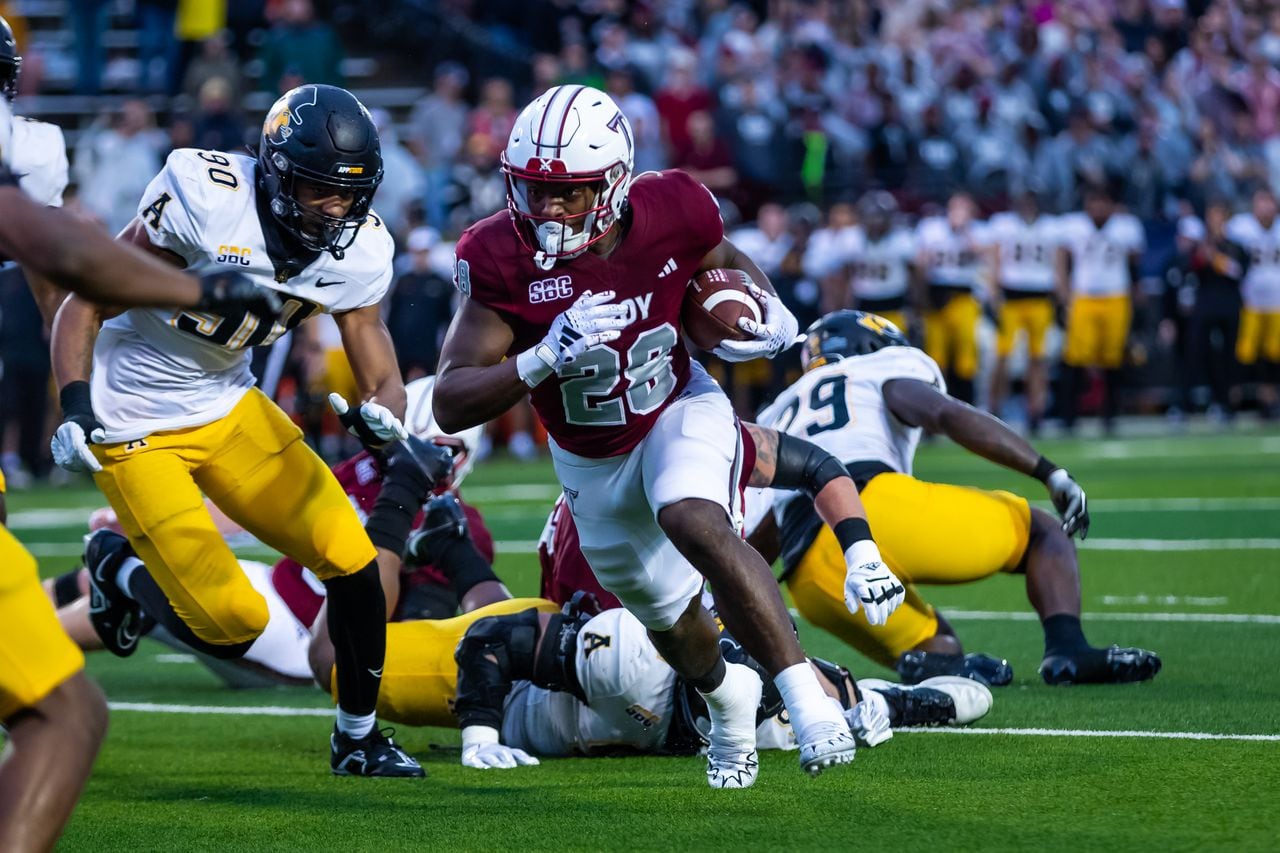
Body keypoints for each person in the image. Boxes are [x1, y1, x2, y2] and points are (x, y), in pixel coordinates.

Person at [433, 85, 898, 788]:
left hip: (679, 402)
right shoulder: (500, 254)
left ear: (616, 182)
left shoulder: (672, 206)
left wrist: (767, 307)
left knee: (691, 512)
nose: (548, 210)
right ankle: (728, 696)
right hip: (590, 459)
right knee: (668, 619)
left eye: (570, 193)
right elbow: (448, 397)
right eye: (534, 191)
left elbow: (723, 252)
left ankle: (806, 698)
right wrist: (538, 358)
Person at [48, 84, 426, 778]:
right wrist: (76, 404)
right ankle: (117, 566)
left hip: (227, 404)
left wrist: (385, 409)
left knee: (354, 562)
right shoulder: (207, 197)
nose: (335, 209)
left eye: (348, 193)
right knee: (231, 623)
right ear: (278, 173)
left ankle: (358, 737)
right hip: (134, 419)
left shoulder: (360, 249)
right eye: (318, 190)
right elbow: (87, 299)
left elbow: (375, 351)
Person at [0, 94, 281, 850]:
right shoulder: (25, 150)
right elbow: (60, 260)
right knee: (67, 713)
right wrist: (198, 290)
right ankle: (119, 575)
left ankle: (113, 577)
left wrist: (75, 387)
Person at [747, 311, 1161, 686]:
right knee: (1042, 531)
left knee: (942, 652)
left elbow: (759, 538)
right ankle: (1068, 650)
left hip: (810, 578)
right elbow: (944, 414)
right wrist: (1047, 471)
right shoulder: (878, 368)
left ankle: (927, 667)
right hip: (872, 509)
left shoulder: (775, 412)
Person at [1056, 182, 1146, 433]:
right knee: (1075, 356)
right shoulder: (1073, 226)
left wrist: (1137, 292)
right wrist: (1063, 293)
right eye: (1093, 202)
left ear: (1111, 205)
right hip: (1084, 297)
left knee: (1112, 358)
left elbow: (1134, 262)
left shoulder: (1126, 227)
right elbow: (1062, 257)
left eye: (1102, 202)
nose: (1097, 207)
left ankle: (1110, 415)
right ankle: (1068, 416)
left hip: (1116, 296)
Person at [984, 188, 1060, 431]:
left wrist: (1061, 297)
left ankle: (1035, 411)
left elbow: (1058, 263)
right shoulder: (1003, 224)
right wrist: (994, 295)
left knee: (1038, 358)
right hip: (1012, 298)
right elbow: (994, 260)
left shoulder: (1051, 227)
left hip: (1040, 298)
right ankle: (994, 407)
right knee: (1003, 355)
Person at [914, 191, 986, 405]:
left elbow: (980, 253)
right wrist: (923, 296)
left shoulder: (980, 231)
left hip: (964, 296)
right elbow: (921, 264)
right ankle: (935, 405)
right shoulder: (931, 229)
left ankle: (967, 404)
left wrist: (963, 230)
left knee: (966, 353)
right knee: (936, 355)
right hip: (937, 295)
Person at [1226, 187, 1280, 418]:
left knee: (1273, 354)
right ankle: (1233, 401)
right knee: (1244, 353)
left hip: (1277, 301)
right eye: (1262, 202)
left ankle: (1269, 401)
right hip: (1249, 300)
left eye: (1270, 202)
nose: (1266, 207)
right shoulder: (1240, 226)